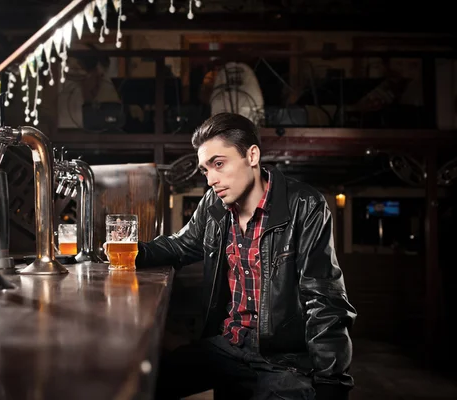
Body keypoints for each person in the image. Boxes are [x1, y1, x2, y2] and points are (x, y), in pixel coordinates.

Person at [136, 112, 357, 400]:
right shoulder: (213, 206)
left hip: (284, 360)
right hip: (228, 344)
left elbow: (324, 298)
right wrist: (129, 251)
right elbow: (180, 246)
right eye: (205, 170)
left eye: (218, 164)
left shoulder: (304, 204)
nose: (211, 179)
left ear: (252, 155)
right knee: (144, 382)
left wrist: (331, 382)